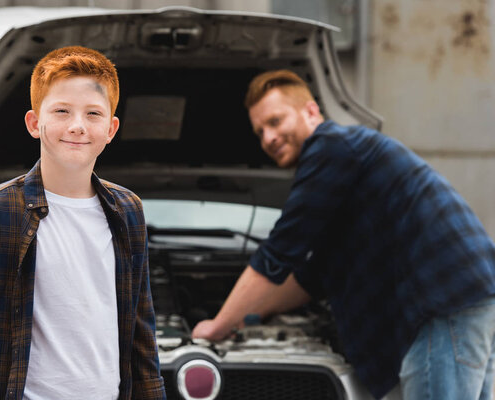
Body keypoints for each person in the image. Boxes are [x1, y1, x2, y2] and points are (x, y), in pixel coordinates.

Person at [192, 69, 495, 400]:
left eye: (275, 122)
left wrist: (217, 326)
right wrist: (255, 313)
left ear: (311, 111)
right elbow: (310, 277)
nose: (268, 138)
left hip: (443, 300)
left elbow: (280, 251)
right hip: (462, 298)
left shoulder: (332, 147)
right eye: (260, 131)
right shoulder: (341, 171)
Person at [0, 46, 166, 400]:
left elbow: (142, 338)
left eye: (93, 114)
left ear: (111, 129)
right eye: (62, 111)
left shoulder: (127, 211)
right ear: (35, 123)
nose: (77, 126)